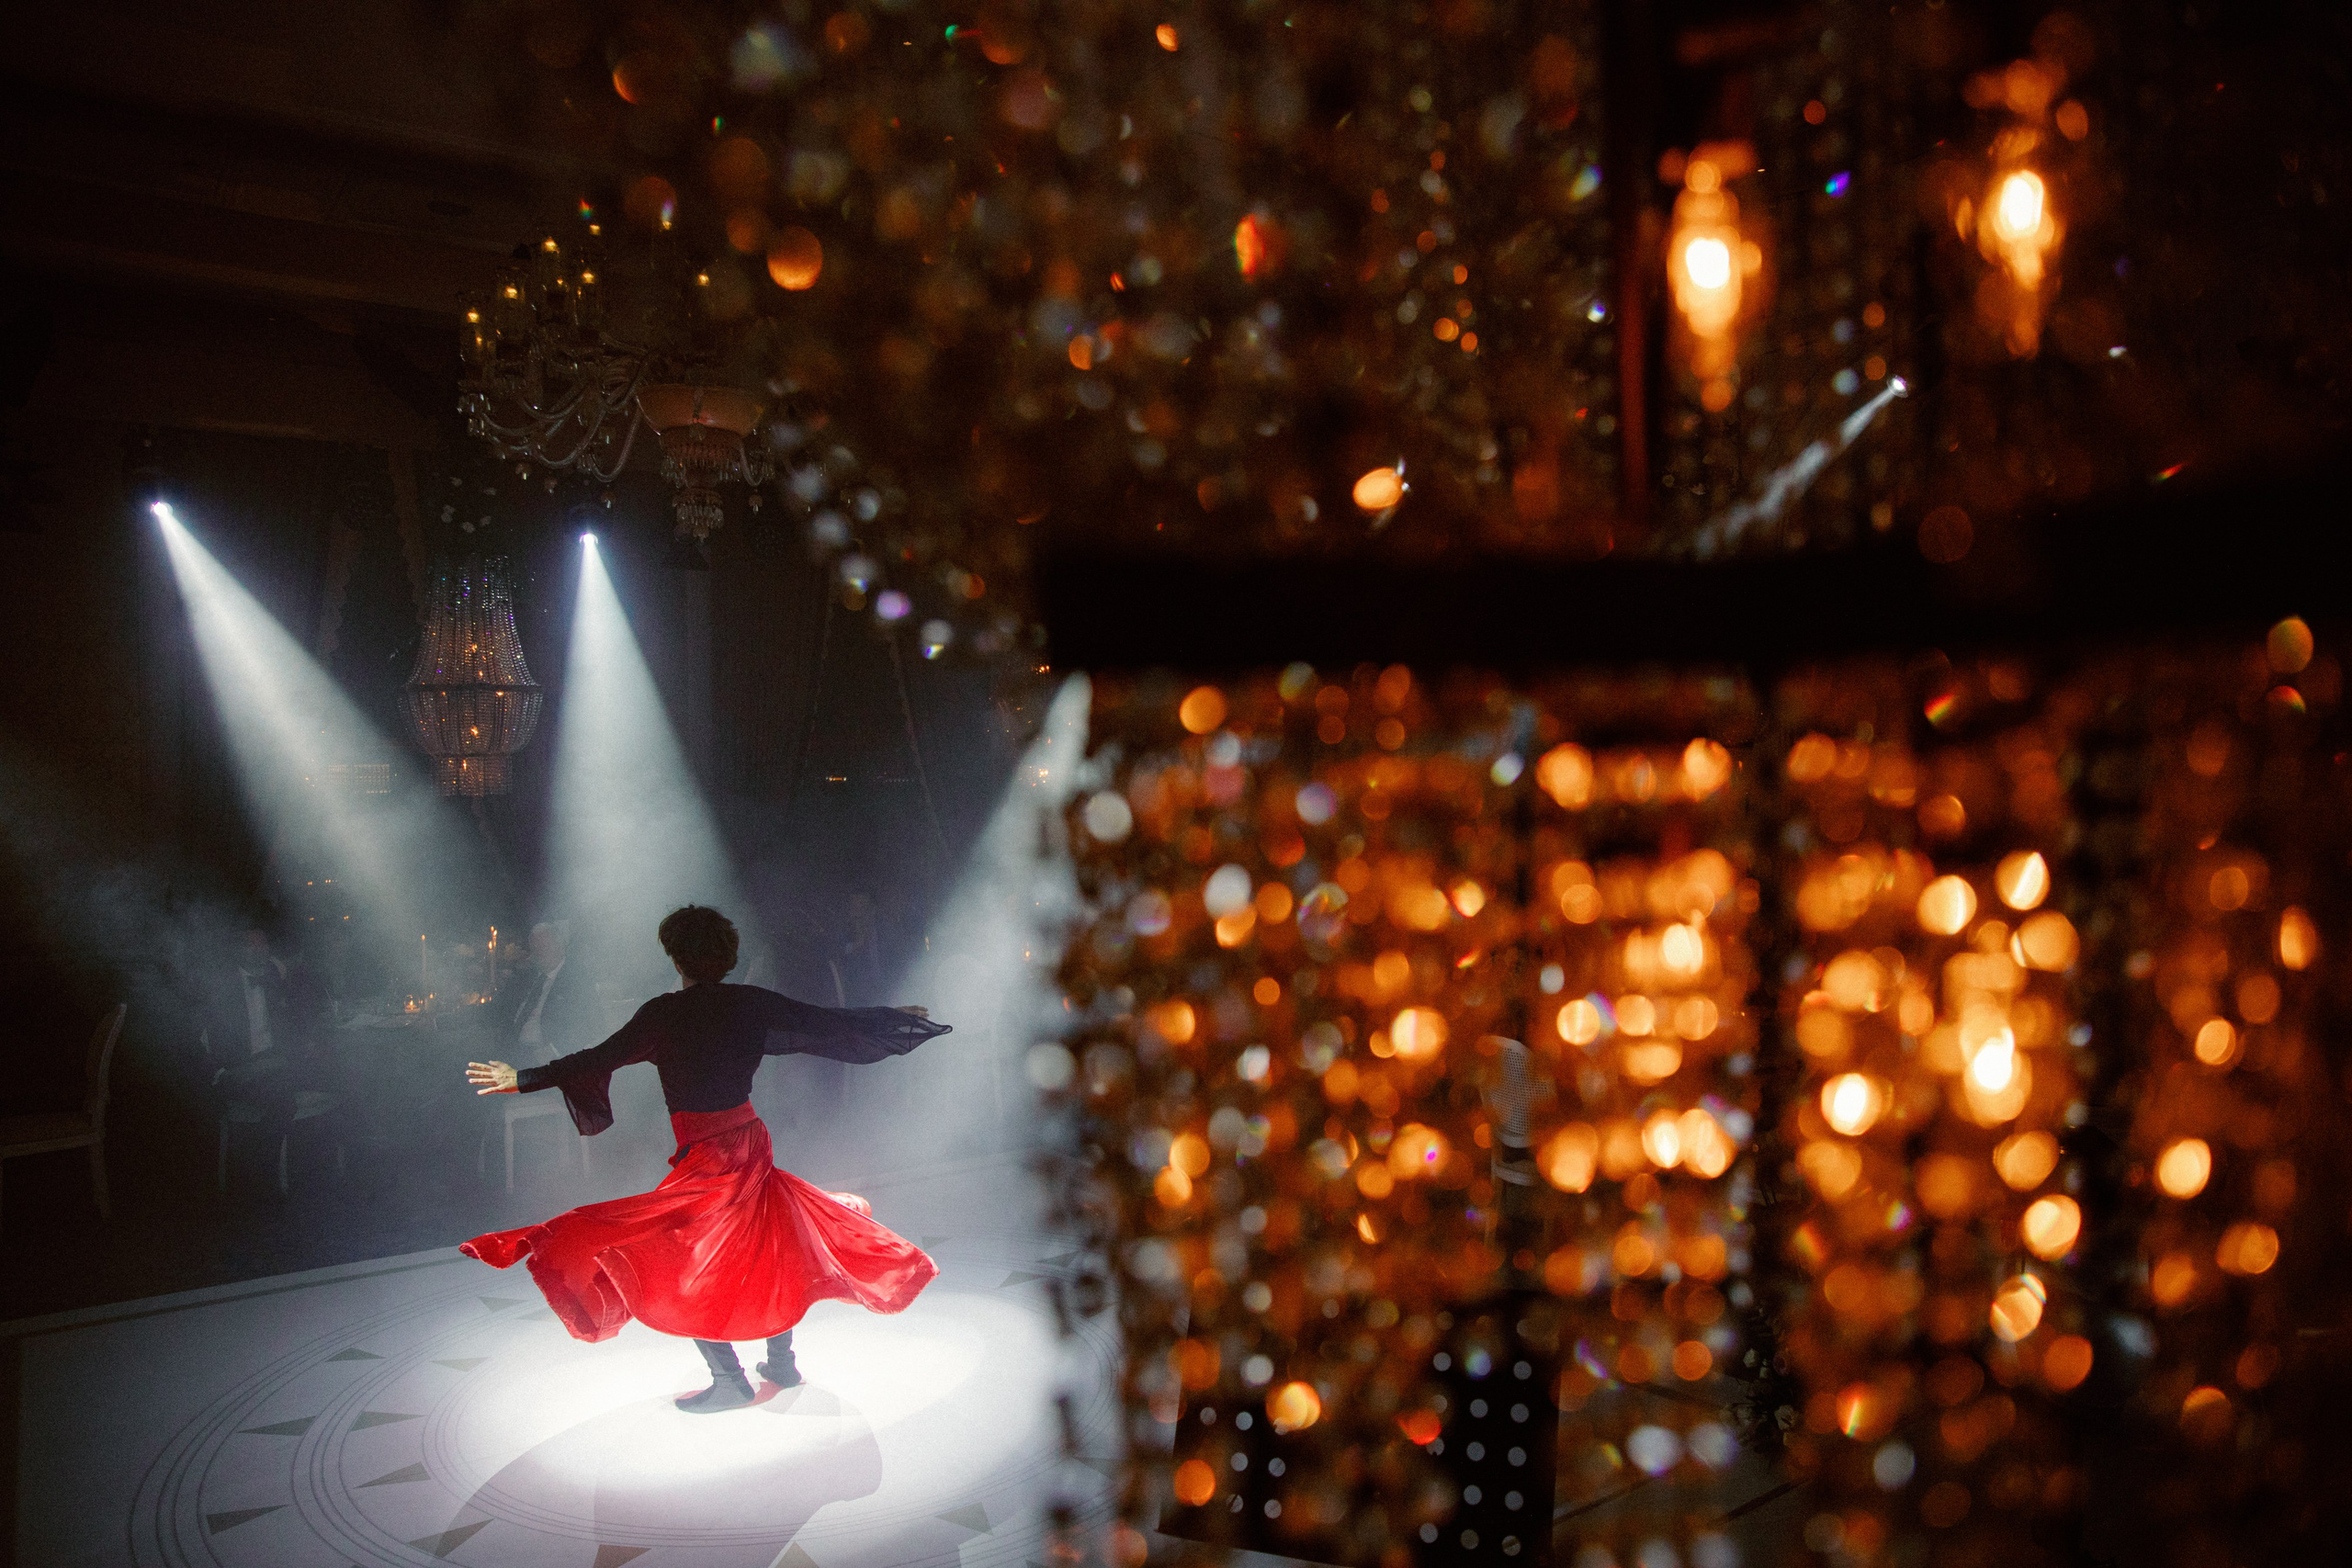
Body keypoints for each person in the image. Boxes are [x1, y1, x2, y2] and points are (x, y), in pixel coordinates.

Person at [458, 905, 949, 1414]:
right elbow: (824, 1023)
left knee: (677, 1252)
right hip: (750, 1141)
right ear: (728, 956)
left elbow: (596, 1058)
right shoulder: (749, 1004)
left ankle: (730, 1380)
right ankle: (781, 1364)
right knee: (771, 1237)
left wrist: (524, 1078)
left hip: (712, 1155)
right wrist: (891, 1019)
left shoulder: (664, 1014)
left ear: (676, 958)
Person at [500, 921, 602, 1064]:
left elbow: (588, 1023)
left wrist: (555, 1049)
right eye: (534, 948)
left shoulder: (576, 979)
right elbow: (502, 1007)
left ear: (560, 947)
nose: (539, 952)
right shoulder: (528, 976)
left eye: (544, 946)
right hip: (512, 1045)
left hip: (545, 1053)